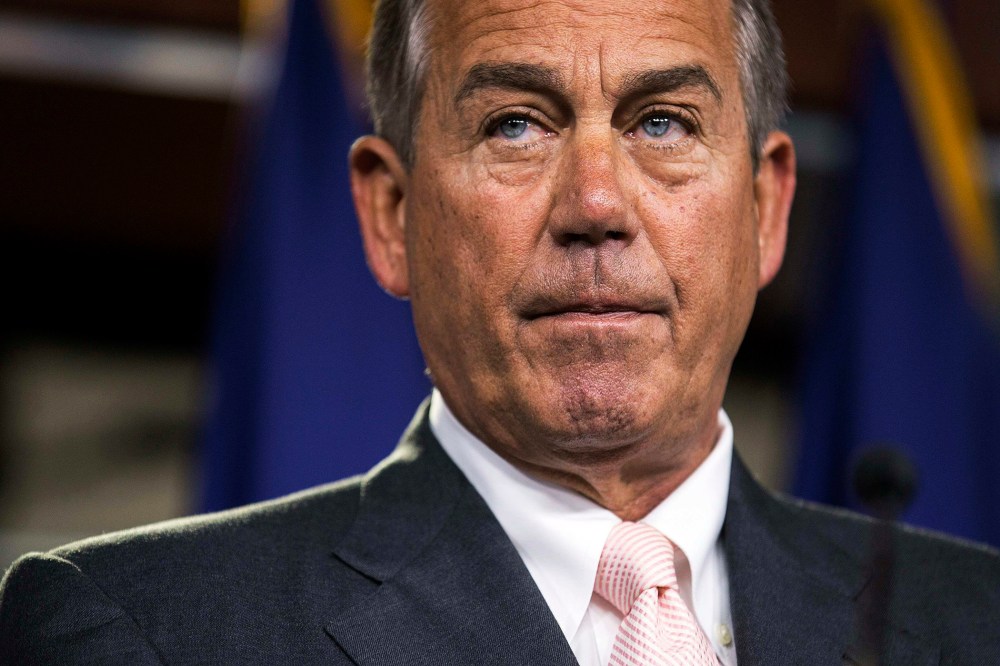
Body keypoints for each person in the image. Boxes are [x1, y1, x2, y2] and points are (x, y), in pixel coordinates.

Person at [2, 0, 998, 663]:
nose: (597, 202)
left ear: (766, 209)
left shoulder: (973, 624)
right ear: (391, 215)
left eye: (662, 123)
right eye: (515, 124)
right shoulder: (148, 631)